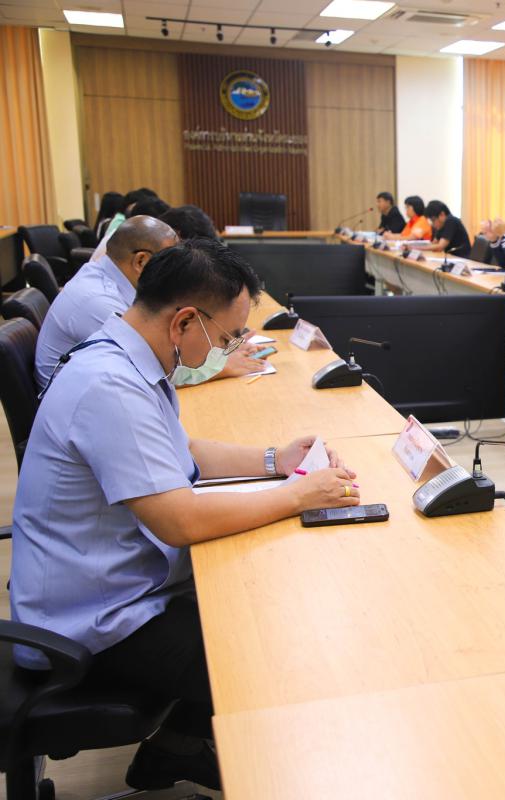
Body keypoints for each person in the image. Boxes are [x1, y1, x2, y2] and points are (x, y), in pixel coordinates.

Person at [10, 238, 361, 792]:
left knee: (258, 598)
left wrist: (276, 460)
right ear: (185, 322)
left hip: (116, 587)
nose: (229, 349)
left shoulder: (125, 356)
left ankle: (174, 749)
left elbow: (182, 450)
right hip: (91, 621)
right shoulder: (108, 385)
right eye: (227, 337)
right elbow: (181, 522)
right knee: (270, 647)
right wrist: (298, 495)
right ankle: (272, 777)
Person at [36, 217, 178, 389]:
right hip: (82, 400)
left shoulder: (105, 277)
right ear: (141, 261)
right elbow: (158, 371)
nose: (176, 273)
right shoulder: (97, 301)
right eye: (170, 263)